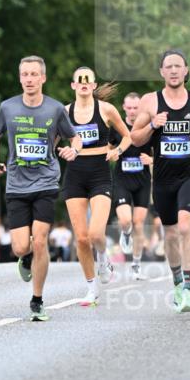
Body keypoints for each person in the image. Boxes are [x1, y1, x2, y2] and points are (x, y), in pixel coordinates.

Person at [0, 55, 81, 321]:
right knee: (20, 247)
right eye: (25, 74)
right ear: (20, 78)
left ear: (43, 78)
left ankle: (37, 300)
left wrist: (73, 151)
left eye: (34, 74)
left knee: (40, 241)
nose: (29, 79)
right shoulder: (8, 107)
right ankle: (25, 257)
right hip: (16, 184)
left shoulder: (55, 109)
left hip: (46, 182)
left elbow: (75, 137)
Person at [131, 49, 190, 314]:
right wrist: (153, 125)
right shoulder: (150, 101)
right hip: (163, 178)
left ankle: (189, 289)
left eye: (178, 66)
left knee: (186, 226)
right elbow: (135, 137)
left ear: (186, 70)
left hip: (189, 174)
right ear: (162, 72)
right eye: (169, 66)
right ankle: (177, 281)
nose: (174, 70)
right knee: (169, 233)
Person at [60, 66, 130, 306]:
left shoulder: (106, 109)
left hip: (100, 175)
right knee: (81, 239)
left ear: (93, 85)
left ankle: (103, 258)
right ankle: (91, 288)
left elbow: (127, 136)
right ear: (73, 85)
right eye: (78, 80)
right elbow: (51, 140)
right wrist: (60, 150)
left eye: (87, 80)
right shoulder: (64, 112)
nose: (83, 83)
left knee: (95, 234)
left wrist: (117, 151)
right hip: (74, 176)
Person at [111, 91, 153, 280]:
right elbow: (107, 148)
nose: (133, 111)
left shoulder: (148, 128)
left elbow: (161, 154)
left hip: (142, 181)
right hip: (122, 180)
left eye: (136, 107)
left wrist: (151, 160)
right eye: (129, 107)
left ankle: (136, 265)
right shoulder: (118, 127)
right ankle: (125, 233)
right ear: (124, 108)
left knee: (139, 223)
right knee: (126, 220)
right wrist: (112, 153)